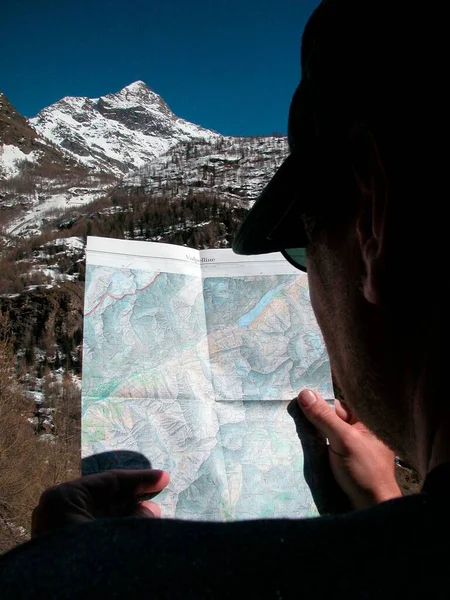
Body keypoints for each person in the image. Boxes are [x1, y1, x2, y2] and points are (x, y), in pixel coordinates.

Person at [0, 0, 445, 596]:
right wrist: (382, 506)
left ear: (372, 228)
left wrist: (78, 565)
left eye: (305, 248)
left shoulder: (85, 582)